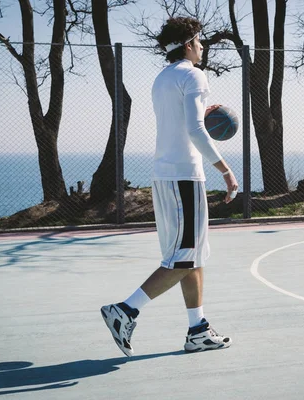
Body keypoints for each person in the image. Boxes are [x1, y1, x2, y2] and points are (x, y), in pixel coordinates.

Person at [100, 16, 238, 357]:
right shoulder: (193, 74)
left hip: (166, 176)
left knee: (191, 256)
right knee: (181, 259)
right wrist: (225, 169)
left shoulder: (163, 78)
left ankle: (198, 330)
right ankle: (126, 309)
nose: (203, 47)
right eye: (200, 42)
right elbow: (195, 129)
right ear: (189, 44)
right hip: (184, 177)